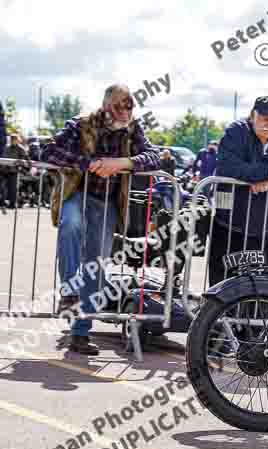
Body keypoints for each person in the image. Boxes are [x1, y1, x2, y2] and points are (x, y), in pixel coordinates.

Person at [41, 83, 160, 354]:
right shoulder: (81, 124)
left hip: (107, 204)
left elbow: (154, 157)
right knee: (71, 225)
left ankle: (80, 333)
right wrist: (90, 164)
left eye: (130, 105)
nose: (125, 111)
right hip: (77, 194)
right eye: (120, 106)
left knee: (96, 268)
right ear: (106, 106)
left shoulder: (133, 129)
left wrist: (121, 163)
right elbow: (48, 152)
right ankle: (69, 292)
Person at [211, 96, 268, 286]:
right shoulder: (236, 131)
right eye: (264, 118)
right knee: (222, 288)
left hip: (266, 228)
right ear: (253, 115)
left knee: (264, 289)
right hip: (230, 227)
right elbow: (226, 166)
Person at [2, 134, 28, 209]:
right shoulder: (7, 147)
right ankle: (3, 203)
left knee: (13, 188)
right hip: (5, 171)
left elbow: (25, 158)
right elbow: (4, 157)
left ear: (17, 140)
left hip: (14, 171)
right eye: (12, 139)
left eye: (14, 139)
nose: (13, 140)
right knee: (3, 188)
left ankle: (12, 204)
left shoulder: (21, 148)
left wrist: (21, 168)